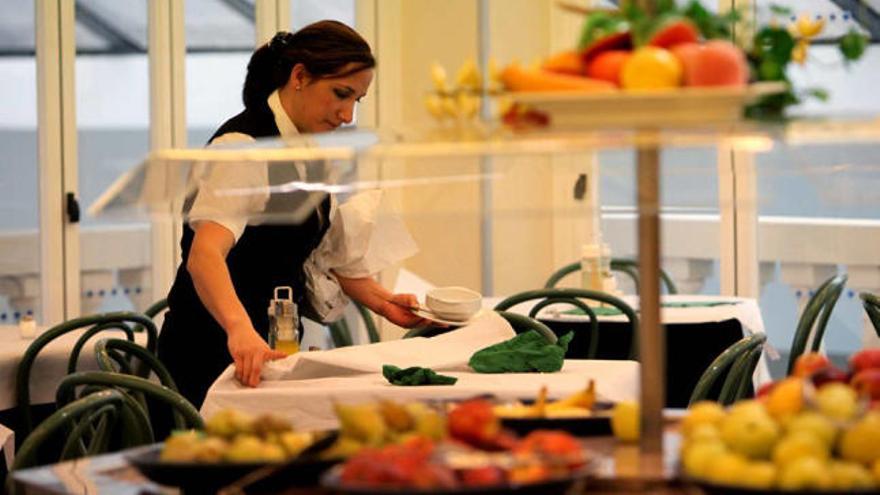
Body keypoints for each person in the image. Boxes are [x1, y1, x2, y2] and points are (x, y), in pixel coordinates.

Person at [158, 20, 425, 408]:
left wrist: (386, 303)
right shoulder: (244, 147)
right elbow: (204, 256)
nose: (347, 115)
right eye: (340, 94)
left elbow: (328, 254)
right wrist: (239, 329)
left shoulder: (311, 152)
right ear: (299, 76)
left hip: (272, 348)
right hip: (209, 352)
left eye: (356, 101)